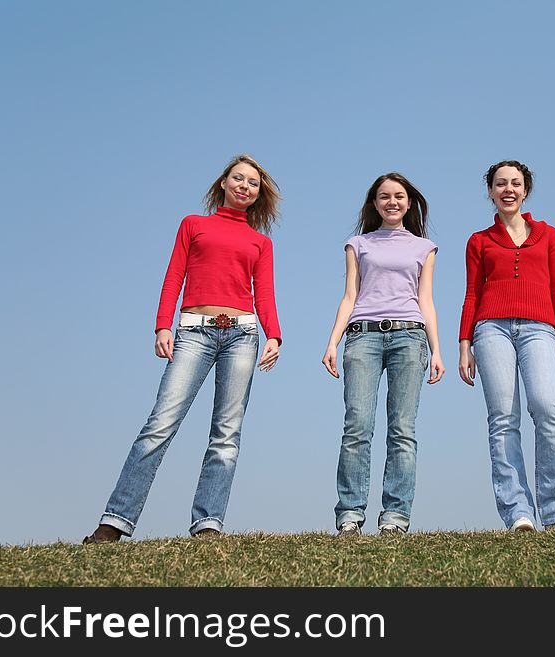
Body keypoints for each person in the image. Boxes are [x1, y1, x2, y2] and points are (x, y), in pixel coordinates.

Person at [83, 154, 282, 543]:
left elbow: (265, 292)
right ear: (223, 183)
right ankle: (114, 523)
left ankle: (208, 525)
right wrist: (162, 325)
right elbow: (174, 274)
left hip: (242, 335)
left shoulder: (261, 242)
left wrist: (274, 334)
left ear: (258, 195)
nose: (244, 185)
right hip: (193, 332)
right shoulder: (194, 225)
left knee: (226, 434)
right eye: (238, 178)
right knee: (160, 424)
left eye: (253, 183)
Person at [458, 160, 555, 533]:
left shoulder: (550, 235)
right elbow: (472, 294)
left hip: (540, 329)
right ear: (490, 191)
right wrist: (464, 343)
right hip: (491, 329)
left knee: (548, 408)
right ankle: (518, 512)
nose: (508, 189)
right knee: (503, 418)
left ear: (526, 189)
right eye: (500, 183)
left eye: (515, 183)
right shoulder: (479, 241)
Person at [322, 172, 443, 537]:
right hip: (363, 338)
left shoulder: (425, 248)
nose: (392, 202)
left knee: (402, 430)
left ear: (409, 202)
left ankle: (395, 517)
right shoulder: (358, 244)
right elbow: (349, 297)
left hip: (410, 338)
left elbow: (426, 301)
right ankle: (350, 515)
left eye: (399, 196)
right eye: (384, 196)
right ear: (374, 204)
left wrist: (437, 350)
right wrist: (333, 341)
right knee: (357, 427)